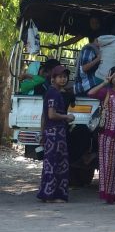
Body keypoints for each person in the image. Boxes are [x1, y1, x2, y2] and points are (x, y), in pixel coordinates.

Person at [88, 66, 115, 204]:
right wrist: (104, 82)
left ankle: (114, 194)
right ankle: (106, 194)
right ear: (111, 77)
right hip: (106, 135)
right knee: (106, 165)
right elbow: (90, 93)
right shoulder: (106, 92)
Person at [37, 65, 75, 203]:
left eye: (65, 77)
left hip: (53, 132)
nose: (63, 79)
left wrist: (42, 134)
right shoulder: (54, 93)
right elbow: (51, 115)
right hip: (55, 134)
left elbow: (44, 116)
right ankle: (51, 195)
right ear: (53, 79)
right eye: (60, 76)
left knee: (53, 164)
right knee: (55, 164)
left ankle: (49, 194)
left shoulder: (54, 92)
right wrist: (67, 117)